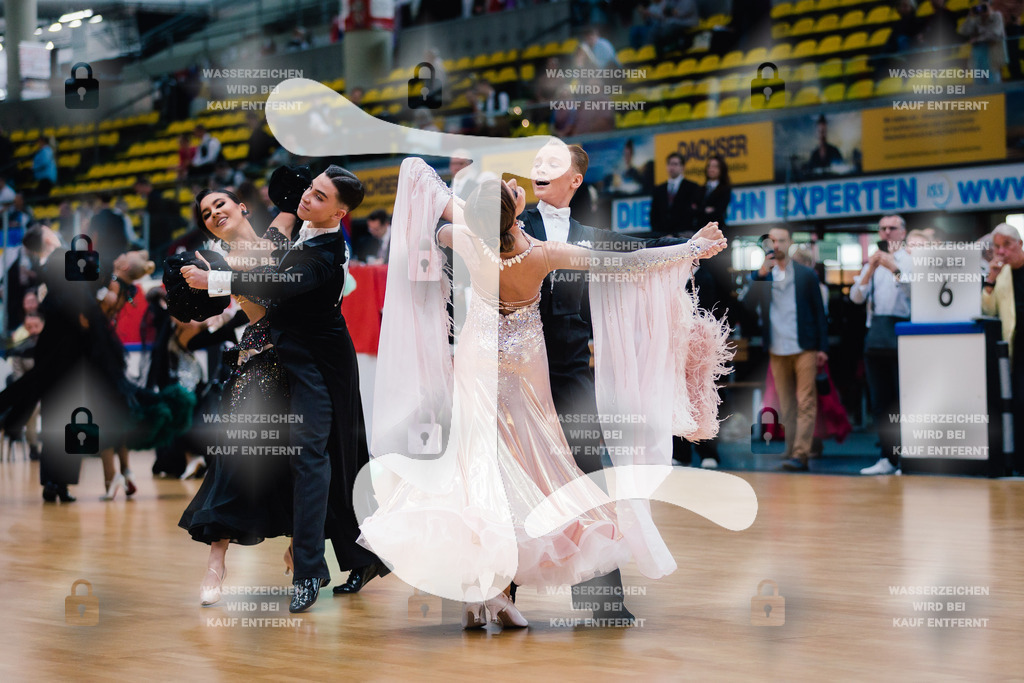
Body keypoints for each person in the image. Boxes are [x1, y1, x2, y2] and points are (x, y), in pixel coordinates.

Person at [358, 156, 729, 630]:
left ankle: (532, 596)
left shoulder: (470, 234)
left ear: (574, 180)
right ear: (513, 209)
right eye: (514, 186)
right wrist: (691, 250)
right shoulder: (540, 249)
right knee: (517, 464)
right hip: (525, 366)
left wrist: (451, 199)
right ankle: (495, 590)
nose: (523, 180)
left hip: (504, 363)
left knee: (503, 464)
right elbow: (630, 263)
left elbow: (428, 198)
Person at [182, 166, 386, 613]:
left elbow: (277, 282)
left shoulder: (321, 250)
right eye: (310, 190)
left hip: (316, 363)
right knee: (271, 458)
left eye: (320, 196)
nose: (308, 197)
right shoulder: (286, 228)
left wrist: (216, 280)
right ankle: (341, 557)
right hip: (267, 360)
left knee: (322, 457)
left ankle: (319, 565)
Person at [174, 189, 298, 605]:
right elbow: (264, 295)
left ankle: (299, 546)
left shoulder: (276, 236)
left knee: (304, 455)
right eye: (206, 213)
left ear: (241, 206)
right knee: (236, 456)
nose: (214, 213)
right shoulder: (221, 262)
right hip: (261, 363)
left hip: (302, 359)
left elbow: (296, 203)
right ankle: (216, 562)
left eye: (220, 205)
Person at [746, 227, 829, 471]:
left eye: (781, 240)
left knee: (805, 401)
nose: (777, 245)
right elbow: (747, 306)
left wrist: (822, 347)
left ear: (790, 243)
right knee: (786, 403)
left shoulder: (806, 275)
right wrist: (760, 275)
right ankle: (792, 449)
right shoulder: (763, 275)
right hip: (776, 346)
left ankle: (801, 454)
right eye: (772, 241)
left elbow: (819, 313)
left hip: (804, 345)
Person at [850, 215, 912, 475]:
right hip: (876, 337)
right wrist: (871, 270)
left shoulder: (910, 260)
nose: (887, 232)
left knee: (903, 400)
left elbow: (916, 293)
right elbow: (856, 297)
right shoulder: (872, 261)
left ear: (903, 232)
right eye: (883, 228)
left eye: (892, 228)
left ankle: (908, 459)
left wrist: (894, 268)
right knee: (880, 402)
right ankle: (887, 457)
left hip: (903, 334)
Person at [982, 222, 1024, 474]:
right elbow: (988, 311)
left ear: (1020, 244)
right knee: (1019, 402)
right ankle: (1019, 462)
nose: (1001, 251)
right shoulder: (1002, 274)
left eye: (1006, 245)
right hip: (1017, 346)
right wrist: (990, 281)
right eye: (997, 246)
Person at [650, 152, 699, 236]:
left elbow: (691, 214)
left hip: (683, 235)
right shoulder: (659, 189)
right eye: (669, 164)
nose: (672, 167)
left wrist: (676, 234)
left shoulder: (692, 187)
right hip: (662, 236)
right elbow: (654, 214)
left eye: (675, 164)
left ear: (682, 167)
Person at [960, 1, 1007, 84]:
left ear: (990, 6)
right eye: (980, 7)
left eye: (984, 7)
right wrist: (970, 17)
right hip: (977, 53)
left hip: (991, 52)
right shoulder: (976, 18)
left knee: (993, 81)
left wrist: (978, 39)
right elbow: (964, 31)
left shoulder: (996, 16)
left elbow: (995, 33)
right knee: (979, 82)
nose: (982, 10)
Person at [698, 155, 732, 227]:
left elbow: (719, 210)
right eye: (709, 166)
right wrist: (705, 210)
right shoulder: (701, 189)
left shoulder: (725, 189)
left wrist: (704, 210)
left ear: (721, 169)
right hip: (701, 227)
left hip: (717, 227)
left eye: (715, 167)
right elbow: (695, 209)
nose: (711, 169)